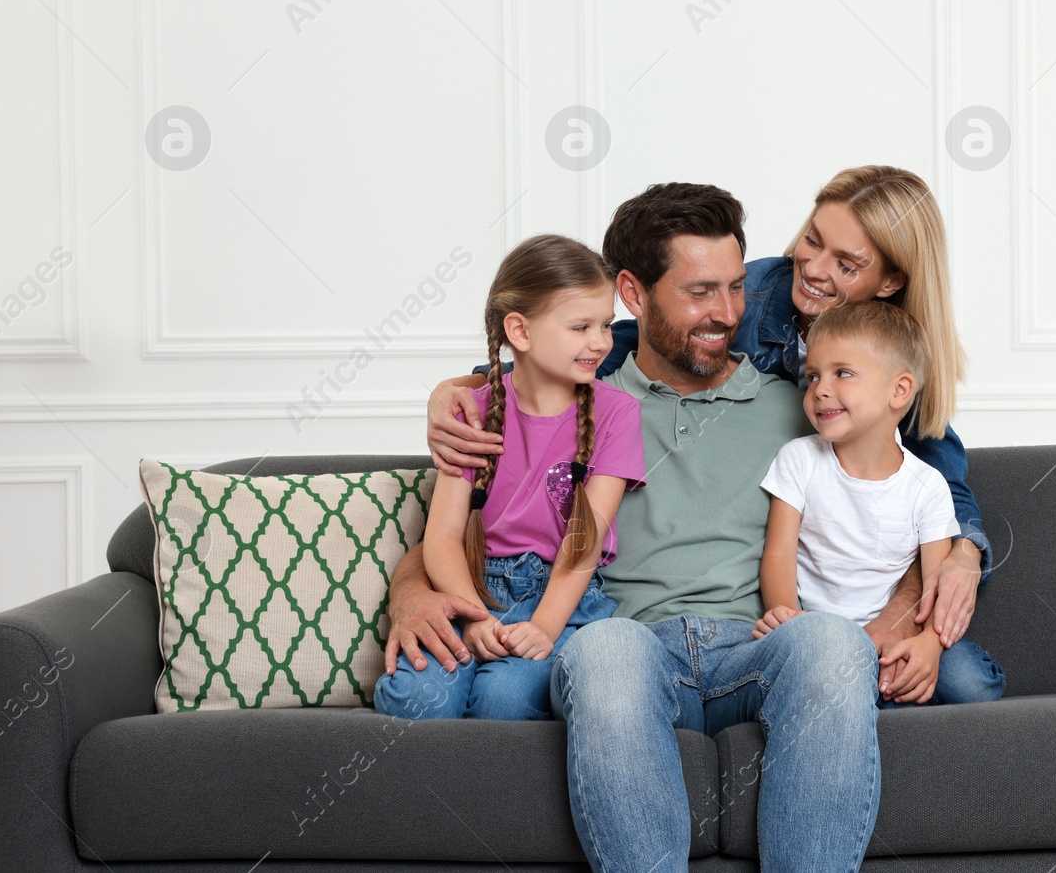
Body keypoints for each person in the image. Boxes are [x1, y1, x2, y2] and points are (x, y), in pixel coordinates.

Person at [384, 184, 885, 872]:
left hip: (755, 650)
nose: (728, 313)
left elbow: (901, 491)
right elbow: (483, 510)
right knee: (605, 649)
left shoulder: (801, 405)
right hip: (633, 647)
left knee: (832, 641)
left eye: (737, 288)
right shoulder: (586, 403)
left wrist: (937, 582)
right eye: (701, 291)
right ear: (633, 293)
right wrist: (409, 585)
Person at [425, 166, 991, 681]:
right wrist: (469, 386)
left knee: (966, 681)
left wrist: (961, 556)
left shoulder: (882, 378)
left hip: (812, 619)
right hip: (642, 633)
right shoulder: (760, 296)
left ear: (890, 283)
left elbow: (934, 486)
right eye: (811, 241)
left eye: (847, 264)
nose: (814, 270)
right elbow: (634, 339)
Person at [373, 234, 645, 721]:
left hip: (559, 600)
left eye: (606, 324)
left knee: (505, 700)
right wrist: (472, 615)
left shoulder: (618, 413)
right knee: (419, 700)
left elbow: (583, 543)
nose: (602, 341)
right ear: (519, 330)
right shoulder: (471, 412)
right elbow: (442, 536)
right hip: (470, 586)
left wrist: (542, 627)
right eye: (581, 326)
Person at [754, 300, 1005, 708]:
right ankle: (874, 695)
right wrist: (787, 618)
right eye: (813, 375)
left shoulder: (927, 486)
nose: (820, 389)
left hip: (897, 636)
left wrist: (929, 645)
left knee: (970, 682)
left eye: (843, 373)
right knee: (814, 679)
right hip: (821, 637)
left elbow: (932, 582)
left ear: (899, 390)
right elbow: (779, 554)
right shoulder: (798, 459)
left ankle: (881, 689)